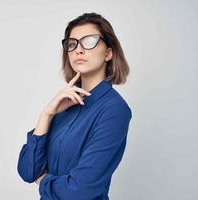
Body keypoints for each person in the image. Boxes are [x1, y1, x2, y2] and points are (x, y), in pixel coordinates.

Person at [17, 12, 132, 200]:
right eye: (72, 44)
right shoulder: (64, 105)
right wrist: (47, 114)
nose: (78, 50)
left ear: (109, 53)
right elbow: (27, 170)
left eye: (90, 41)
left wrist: (43, 181)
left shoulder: (114, 110)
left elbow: (80, 190)